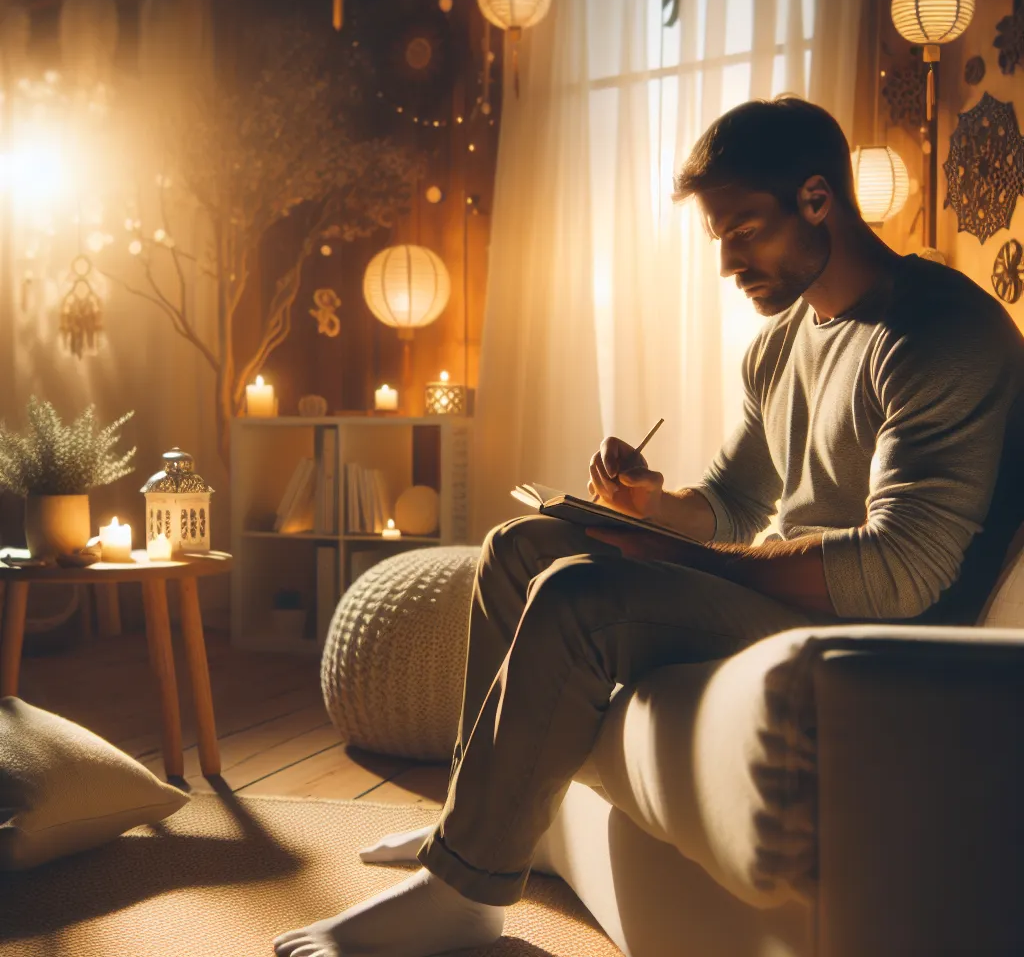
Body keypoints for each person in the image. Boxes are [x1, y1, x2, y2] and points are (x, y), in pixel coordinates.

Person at [273, 96, 1024, 957]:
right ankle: (477, 827)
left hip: (878, 633)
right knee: (520, 549)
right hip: (805, 596)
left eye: (743, 231)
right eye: (720, 240)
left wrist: (683, 557)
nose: (729, 263)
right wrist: (652, 505)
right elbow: (735, 503)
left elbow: (901, 573)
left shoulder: (936, 334)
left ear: (818, 199)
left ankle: (460, 896)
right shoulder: (782, 343)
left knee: (580, 596)